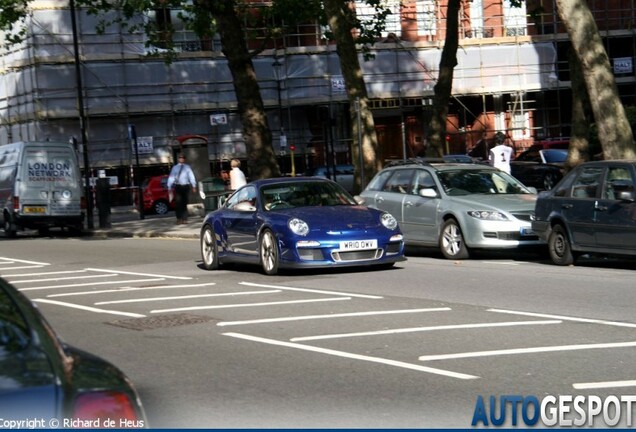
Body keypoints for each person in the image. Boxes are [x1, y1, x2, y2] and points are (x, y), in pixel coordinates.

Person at [167, 153, 197, 224]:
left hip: (186, 186)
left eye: (183, 158)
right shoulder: (175, 168)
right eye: (180, 158)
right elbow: (171, 177)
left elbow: (191, 176)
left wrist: (194, 185)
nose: (181, 159)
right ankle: (179, 218)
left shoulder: (187, 167)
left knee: (184, 203)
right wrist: (169, 187)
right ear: (178, 159)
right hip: (178, 186)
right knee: (178, 203)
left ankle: (185, 218)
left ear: (185, 159)